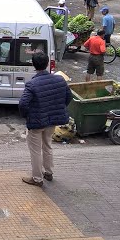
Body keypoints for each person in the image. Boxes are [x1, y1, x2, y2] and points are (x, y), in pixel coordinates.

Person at [18, 51, 72, 187]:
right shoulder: (60, 80)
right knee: (47, 145)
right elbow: (68, 97)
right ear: (48, 63)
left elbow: (23, 104)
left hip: (36, 122)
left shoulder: (32, 84)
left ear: (33, 65)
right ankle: (48, 172)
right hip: (52, 120)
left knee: (35, 150)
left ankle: (37, 178)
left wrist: (27, 115)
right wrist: (57, 109)